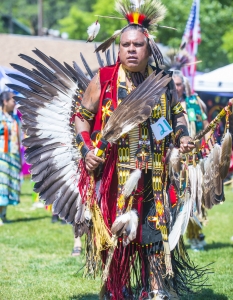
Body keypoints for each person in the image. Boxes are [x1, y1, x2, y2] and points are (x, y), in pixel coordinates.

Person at [75, 6, 197, 297]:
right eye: (125, 45)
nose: (131, 50)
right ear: (118, 49)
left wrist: (182, 136)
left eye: (137, 45)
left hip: (154, 170)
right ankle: (113, 286)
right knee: (117, 230)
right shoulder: (103, 79)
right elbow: (81, 116)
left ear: (148, 47)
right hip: (115, 172)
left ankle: (154, 289)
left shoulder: (164, 80)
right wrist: (87, 150)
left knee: (155, 230)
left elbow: (177, 115)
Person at [173, 71, 208, 251]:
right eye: (174, 84)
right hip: (171, 160)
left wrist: (206, 148)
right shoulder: (164, 104)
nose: (177, 87)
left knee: (194, 197)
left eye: (179, 84)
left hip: (193, 159)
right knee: (172, 199)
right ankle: (172, 238)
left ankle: (195, 236)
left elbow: (206, 124)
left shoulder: (194, 104)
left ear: (184, 86)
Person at [0, 91, 21, 224]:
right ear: (5, 101)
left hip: (12, 156)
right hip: (1, 156)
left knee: (8, 185)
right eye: (13, 100)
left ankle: (3, 214)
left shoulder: (15, 119)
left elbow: (19, 136)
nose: (15, 103)